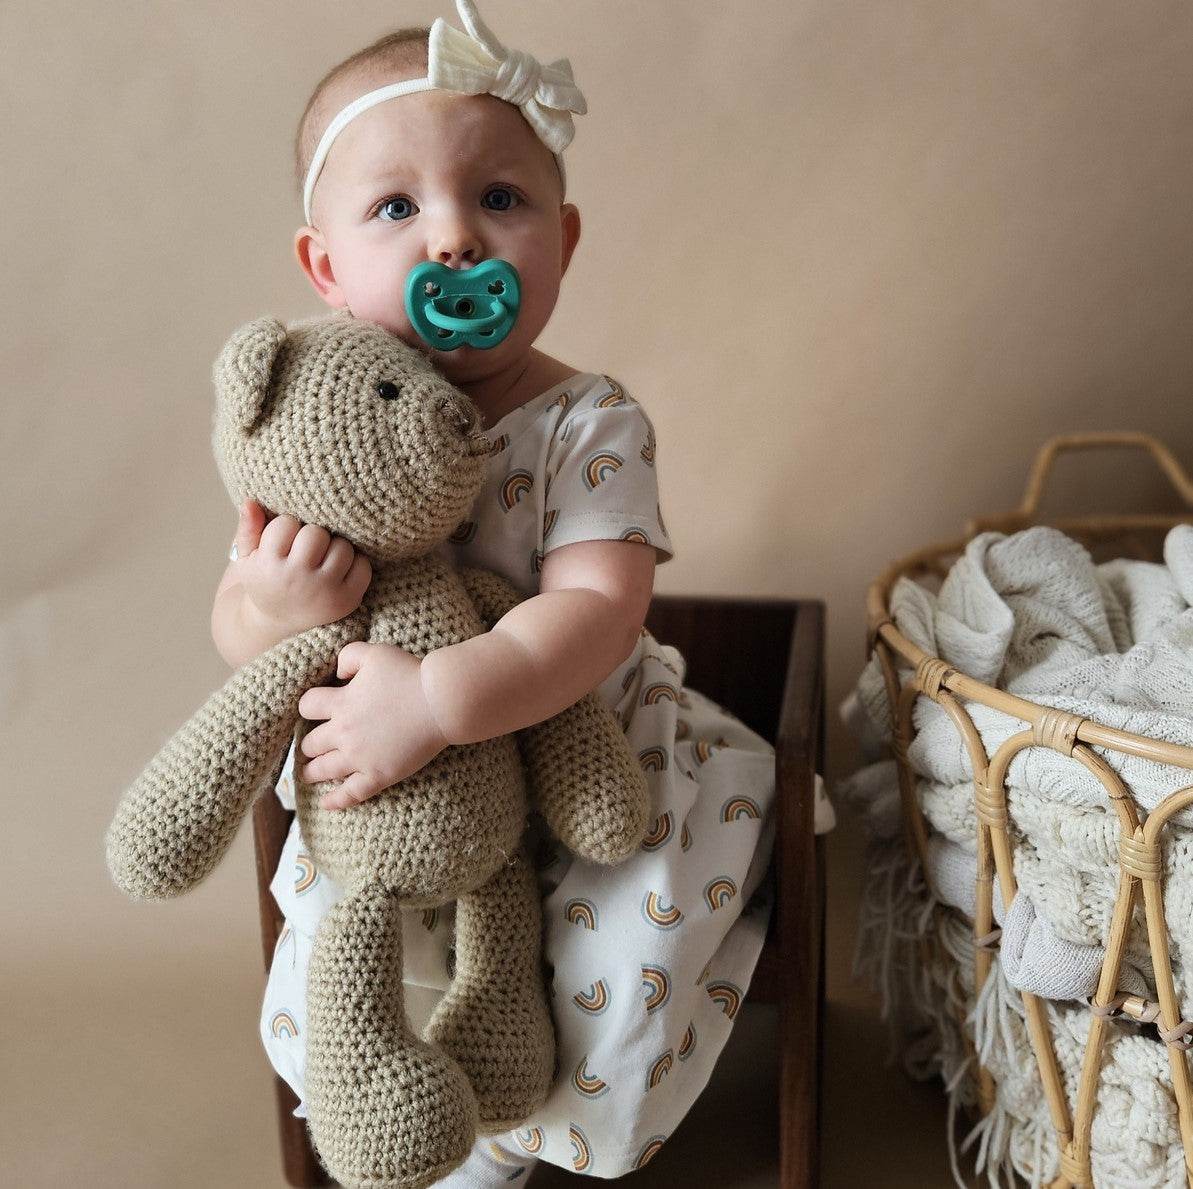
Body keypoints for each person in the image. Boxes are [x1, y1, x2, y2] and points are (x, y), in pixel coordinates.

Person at [211, 3, 833, 1183]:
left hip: (572, 740)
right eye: (396, 208)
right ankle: (407, 1118)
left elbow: (598, 609)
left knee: (621, 933)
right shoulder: (319, 421)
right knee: (350, 949)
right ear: (325, 266)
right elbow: (237, 626)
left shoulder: (588, 421)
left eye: (500, 199)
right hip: (395, 786)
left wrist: (441, 699)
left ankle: (515, 1134)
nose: (454, 238)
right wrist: (270, 609)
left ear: (563, 237)